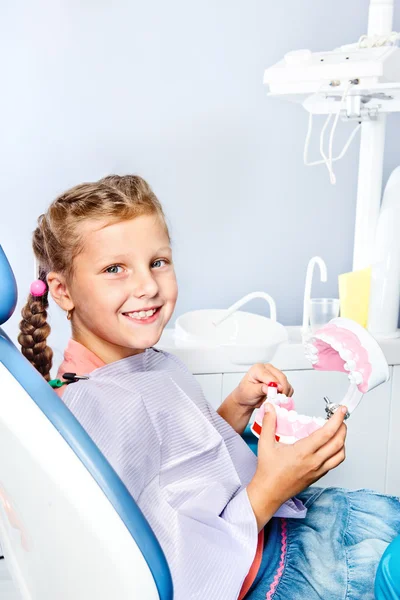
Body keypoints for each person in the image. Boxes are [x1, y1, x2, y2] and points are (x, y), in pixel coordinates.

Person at [19, 175, 400, 599]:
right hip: (274, 570)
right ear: (62, 289)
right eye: (114, 269)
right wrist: (270, 488)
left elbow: (175, 468)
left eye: (158, 262)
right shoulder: (101, 408)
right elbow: (164, 570)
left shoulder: (141, 363)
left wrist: (237, 406)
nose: (147, 286)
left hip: (283, 535)